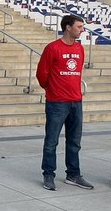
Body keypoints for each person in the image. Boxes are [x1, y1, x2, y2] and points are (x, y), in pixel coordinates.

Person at [36, 14, 93, 190]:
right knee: (52, 141)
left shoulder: (80, 49)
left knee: (75, 141)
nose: (82, 30)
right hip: (57, 102)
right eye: (79, 27)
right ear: (68, 27)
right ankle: (48, 174)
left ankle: (73, 174)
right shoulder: (53, 48)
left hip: (76, 101)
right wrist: (52, 89)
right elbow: (42, 74)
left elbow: (77, 71)